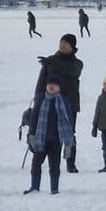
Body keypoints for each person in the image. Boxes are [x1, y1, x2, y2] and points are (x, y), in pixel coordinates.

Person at [34, 34, 83, 172]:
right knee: (48, 133)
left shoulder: (77, 63)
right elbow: (41, 83)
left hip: (70, 104)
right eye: (61, 41)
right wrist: (38, 99)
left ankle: (70, 163)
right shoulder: (50, 61)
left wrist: (53, 63)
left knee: (69, 133)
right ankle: (43, 162)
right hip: (49, 103)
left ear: (72, 47)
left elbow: (72, 71)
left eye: (66, 43)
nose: (62, 45)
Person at [24, 74, 74, 194]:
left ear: (59, 88)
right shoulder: (40, 99)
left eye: (55, 85)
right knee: (36, 164)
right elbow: (34, 118)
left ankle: (54, 188)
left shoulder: (63, 101)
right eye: (49, 84)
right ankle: (34, 186)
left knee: (54, 165)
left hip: (56, 140)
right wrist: (31, 133)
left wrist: (69, 140)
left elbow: (68, 120)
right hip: (40, 139)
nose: (51, 87)